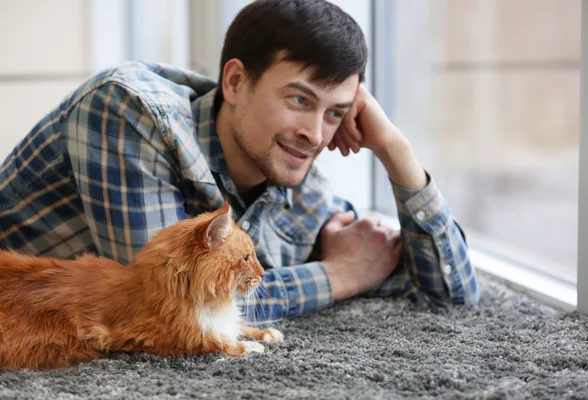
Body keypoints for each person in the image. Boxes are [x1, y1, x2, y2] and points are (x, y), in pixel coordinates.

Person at [0, 0, 479, 322]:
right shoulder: (129, 111)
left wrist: (397, 152)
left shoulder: (300, 187)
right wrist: (343, 274)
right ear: (234, 82)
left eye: (335, 113)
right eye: (298, 99)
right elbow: (170, 307)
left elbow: (453, 297)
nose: (314, 135)